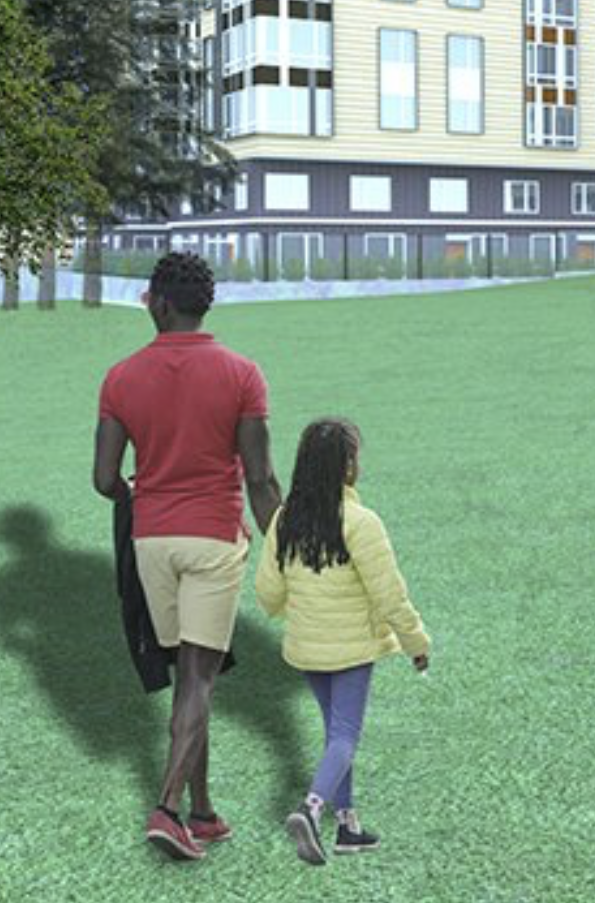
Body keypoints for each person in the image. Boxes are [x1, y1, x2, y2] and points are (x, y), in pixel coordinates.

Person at [93, 252, 281, 862]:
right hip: (213, 538)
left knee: (188, 679)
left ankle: (203, 811)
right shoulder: (243, 373)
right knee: (199, 679)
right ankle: (168, 809)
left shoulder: (120, 377)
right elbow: (259, 476)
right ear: (202, 305)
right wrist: (282, 544)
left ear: (157, 301)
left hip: (153, 541)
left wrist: (136, 497)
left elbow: (103, 479)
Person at [257, 418, 431, 867]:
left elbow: (269, 595)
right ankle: (311, 811)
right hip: (351, 648)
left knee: (336, 733)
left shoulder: (284, 519)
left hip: (307, 648)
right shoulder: (361, 522)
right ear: (347, 465)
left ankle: (349, 826)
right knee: (345, 734)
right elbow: (390, 596)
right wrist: (416, 643)